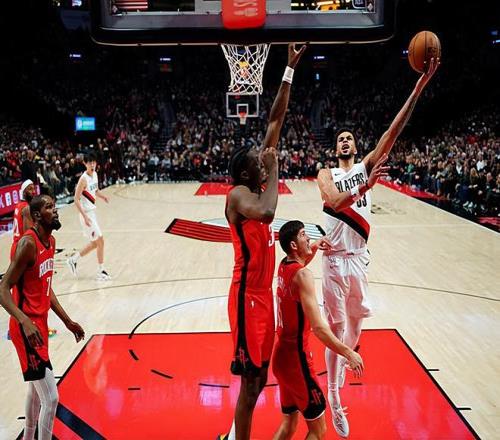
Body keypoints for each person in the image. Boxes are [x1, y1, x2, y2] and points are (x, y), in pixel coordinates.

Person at [317, 57, 440, 437]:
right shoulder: (327, 173)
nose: (345, 141)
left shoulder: (366, 165)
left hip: (359, 260)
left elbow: (393, 130)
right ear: (335, 148)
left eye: (350, 138)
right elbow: (332, 201)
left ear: (357, 147)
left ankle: (341, 368)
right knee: (337, 329)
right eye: (340, 139)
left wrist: (419, 87)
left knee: (355, 329)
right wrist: (364, 187)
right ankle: (334, 396)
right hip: (334, 261)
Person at [219, 43, 306, 440]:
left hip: (263, 297)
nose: (263, 158)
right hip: (246, 298)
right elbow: (269, 212)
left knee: (259, 381)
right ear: (245, 173)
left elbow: (275, 118)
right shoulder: (238, 195)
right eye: (257, 161)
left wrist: (288, 69)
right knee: (249, 384)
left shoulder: (255, 184)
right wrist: (275, 170)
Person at [0, 195, 85, 440]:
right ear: (37, 216)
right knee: (51, 398)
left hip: (40, 324)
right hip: (26, 329)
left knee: (35, 391)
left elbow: (46, 287)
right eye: (49, 207)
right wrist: (24, 321)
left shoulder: (51, 241)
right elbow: (3, 289)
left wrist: (67, 321)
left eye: (54, 206)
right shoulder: (28, 244)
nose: (55, 210)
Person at [273, 221, 364, 440]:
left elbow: (300, 263)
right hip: (297, 362)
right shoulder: (303, 276)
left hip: (281, 359)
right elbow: (319, 328)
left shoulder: (284, 266)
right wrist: (348, 352)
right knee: (319, 430)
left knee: (289, 424)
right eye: (304, 235)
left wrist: (314, 246)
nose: (308, 238)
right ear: (293, 245)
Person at [66, 152, 111, 281]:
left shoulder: (95, 175)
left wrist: (103, 197)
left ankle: (73, 260)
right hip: (86, 215)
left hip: (92, 213)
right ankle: (101, 271)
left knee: (95, 244)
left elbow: (95, 190)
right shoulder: (83, 179)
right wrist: (85, 216)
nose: (92, 165)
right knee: (100, 240)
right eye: (89, 162)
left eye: (94, 162)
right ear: (85, 163)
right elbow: (76, 199)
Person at [10, 179, 35, 260]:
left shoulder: (18, 205)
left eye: (34, 189)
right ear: (24, 192)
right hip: (22, 248)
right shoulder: (26, 208)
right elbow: (28, 234)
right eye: (30, 189)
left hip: (15, 246)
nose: (33, 192)